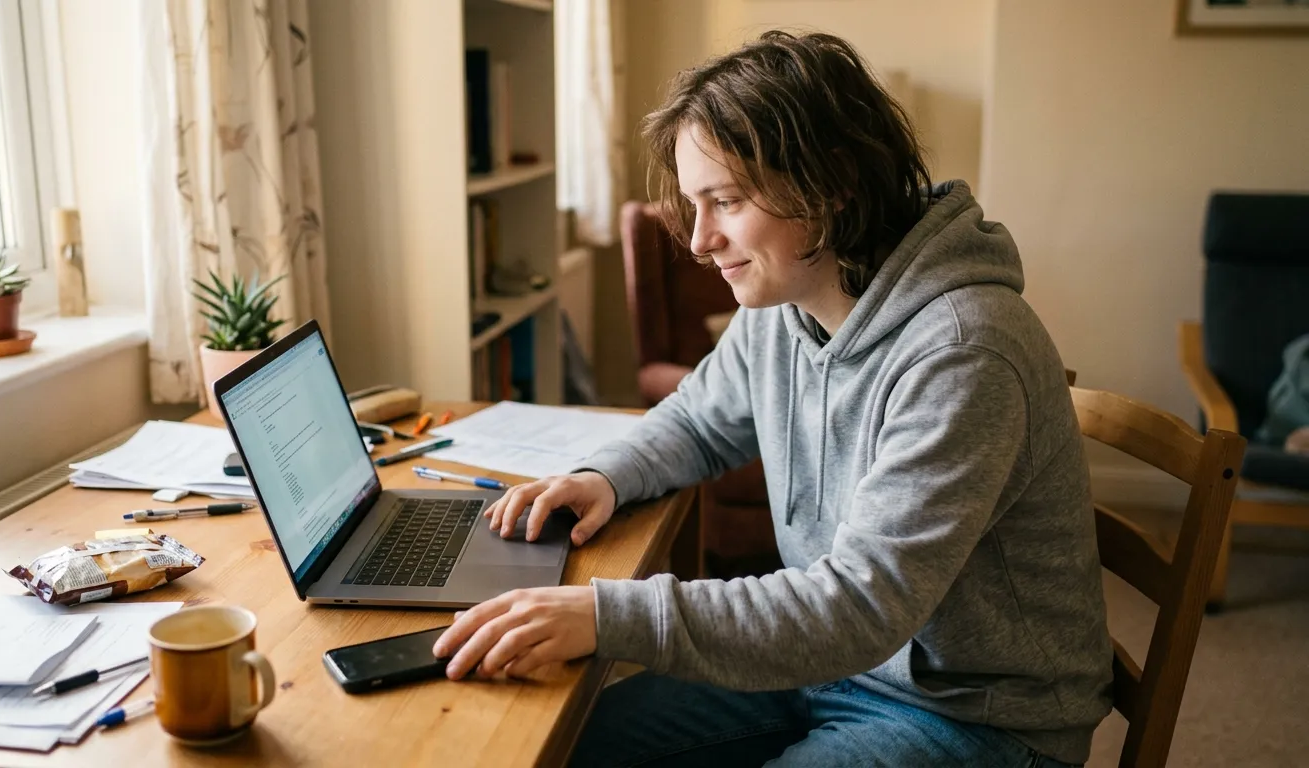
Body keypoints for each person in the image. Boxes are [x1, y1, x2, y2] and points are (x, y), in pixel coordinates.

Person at [432, 30, 1113, 767]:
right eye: (696, 205)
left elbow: (861, 606)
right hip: (832, 664)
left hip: (977, 717)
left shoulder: (963, 350)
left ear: (830, 185)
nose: (699, 241)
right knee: (563, 746)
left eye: (724, 201)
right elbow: (699, 418)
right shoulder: (790, 306)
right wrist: (605, 476)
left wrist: (606, 615)